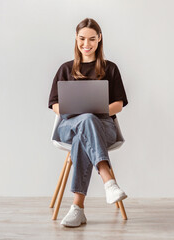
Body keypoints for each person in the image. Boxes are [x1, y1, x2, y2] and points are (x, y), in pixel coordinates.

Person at [48, 18, 128, 227]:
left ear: (99, 39)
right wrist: (75, 111)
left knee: (86, 127)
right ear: (76, 39)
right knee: (84, 121)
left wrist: (93, 111)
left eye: (92, 39)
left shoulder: (110, 69)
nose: (86, 44)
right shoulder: (65, 69)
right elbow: (54, 104)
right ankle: (108, 180)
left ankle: (78, 209)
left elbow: (118, 105)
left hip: (104, 127)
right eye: (82, 39)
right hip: (69, 125)